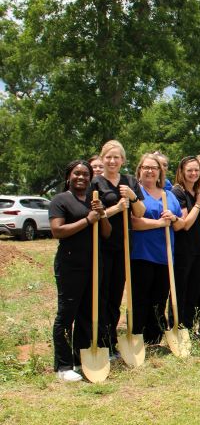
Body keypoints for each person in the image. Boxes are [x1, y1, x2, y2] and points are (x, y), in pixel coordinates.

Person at [50, 160, 112, 382]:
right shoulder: (61, 200)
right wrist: (88, 219)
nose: (81, 178)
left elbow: (106, 233)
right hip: (70, 264)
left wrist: (102, 214)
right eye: (77, 174)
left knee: (88, 313)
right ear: (69, 176)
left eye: (85, 174)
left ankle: (81, 358)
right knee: (67, 314)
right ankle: (63, 365)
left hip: (94, 263)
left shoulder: (94, 201)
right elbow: (57, 231)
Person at [90, 140, 145, 353]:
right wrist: (116, 208)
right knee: (101, 294)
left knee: (115, 295)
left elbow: (139, 213)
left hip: (123, 246)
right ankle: (99, 340)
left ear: (122, 160)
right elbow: (92, 214)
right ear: (102, 159)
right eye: (108, 157)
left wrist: (132, 198)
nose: (112, 161)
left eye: (116, 157)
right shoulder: (95, 183)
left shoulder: (130, 181)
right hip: (101, 246)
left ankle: (111, 340)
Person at [129, 154, 184, 344]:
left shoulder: (168, 195)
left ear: (160, 172)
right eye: (146, 167)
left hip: (165, 255)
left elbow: (178, 225)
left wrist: (174, 218)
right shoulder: (136, 193)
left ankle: (154, 337)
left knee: (159, 299)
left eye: (154, 168)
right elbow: (133, 223)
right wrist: (160, 222)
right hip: (142, 254)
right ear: (140, 170)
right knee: (140, 298)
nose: (150, 171)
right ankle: (136, 336)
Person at [170, 156, 200, 330]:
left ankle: (189, 325)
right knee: (181, 289)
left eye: (196, 170)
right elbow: (185, 224)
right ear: (182, 172)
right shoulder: (178, 192)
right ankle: (177, 325)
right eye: (189, 170)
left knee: (194, 289)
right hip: (184, 249)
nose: (193, 173)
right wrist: (199, 205)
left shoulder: (199, 192)